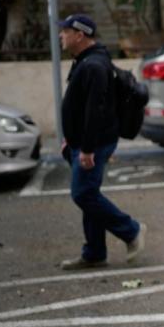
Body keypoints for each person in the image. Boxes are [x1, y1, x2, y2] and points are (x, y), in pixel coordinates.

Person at [58, 14, 146, 270]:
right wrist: (71, 139)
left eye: (65, 31)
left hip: (93, 144)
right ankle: (95, 252)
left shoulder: (94, 65)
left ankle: (132, 231)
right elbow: (80, 106)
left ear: (79, 35)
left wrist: (86, 148)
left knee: (83, 194)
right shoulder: (86, 61)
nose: (61, 36)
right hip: (83, 142)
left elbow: (95, 110)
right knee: (90, 194)